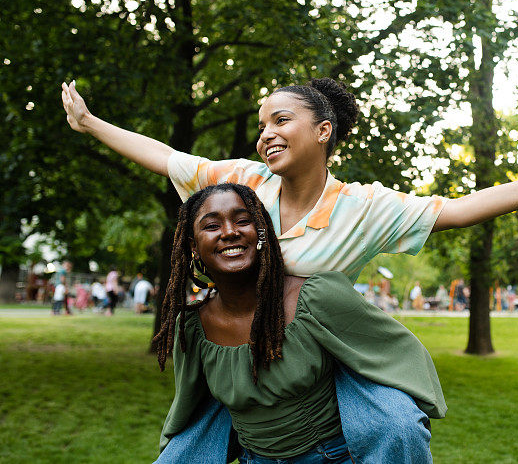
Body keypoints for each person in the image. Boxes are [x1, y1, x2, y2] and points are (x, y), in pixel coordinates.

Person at [61, 77, 518, 462]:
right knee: (183, 448)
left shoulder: (363, 206)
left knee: (394, 430)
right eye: (261, 125)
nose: (266, 133)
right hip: (237, 349)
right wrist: (91, 123)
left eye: (282, 119)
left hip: (325, 349)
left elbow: (458, 208)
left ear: (323, 130)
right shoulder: (244, 182)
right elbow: (162, 156)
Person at [154, 183, 445, 463]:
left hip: (336, 456)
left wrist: (401, 417)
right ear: (193, 245)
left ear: (261, 233)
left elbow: (395, 350)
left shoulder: (315, 296)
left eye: (242, 221)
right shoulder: (193, 327)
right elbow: (189, 408)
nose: (229, 232)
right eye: (211, 226)